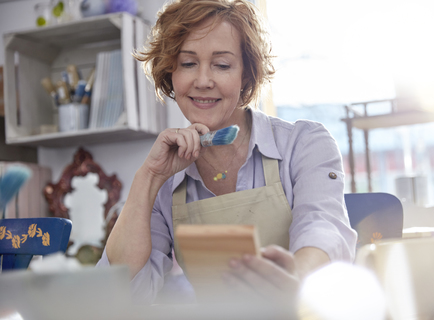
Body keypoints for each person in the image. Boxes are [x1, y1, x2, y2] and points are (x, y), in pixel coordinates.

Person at [96, 0, 357, 306]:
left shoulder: (303, 144)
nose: (203, 80)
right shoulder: (165, 176)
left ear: (246, 75)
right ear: (171, 73)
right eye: (188, 63)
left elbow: (323, 228)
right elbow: (125, 293)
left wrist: (298, 277)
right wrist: (148, 177)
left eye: (221, 65)